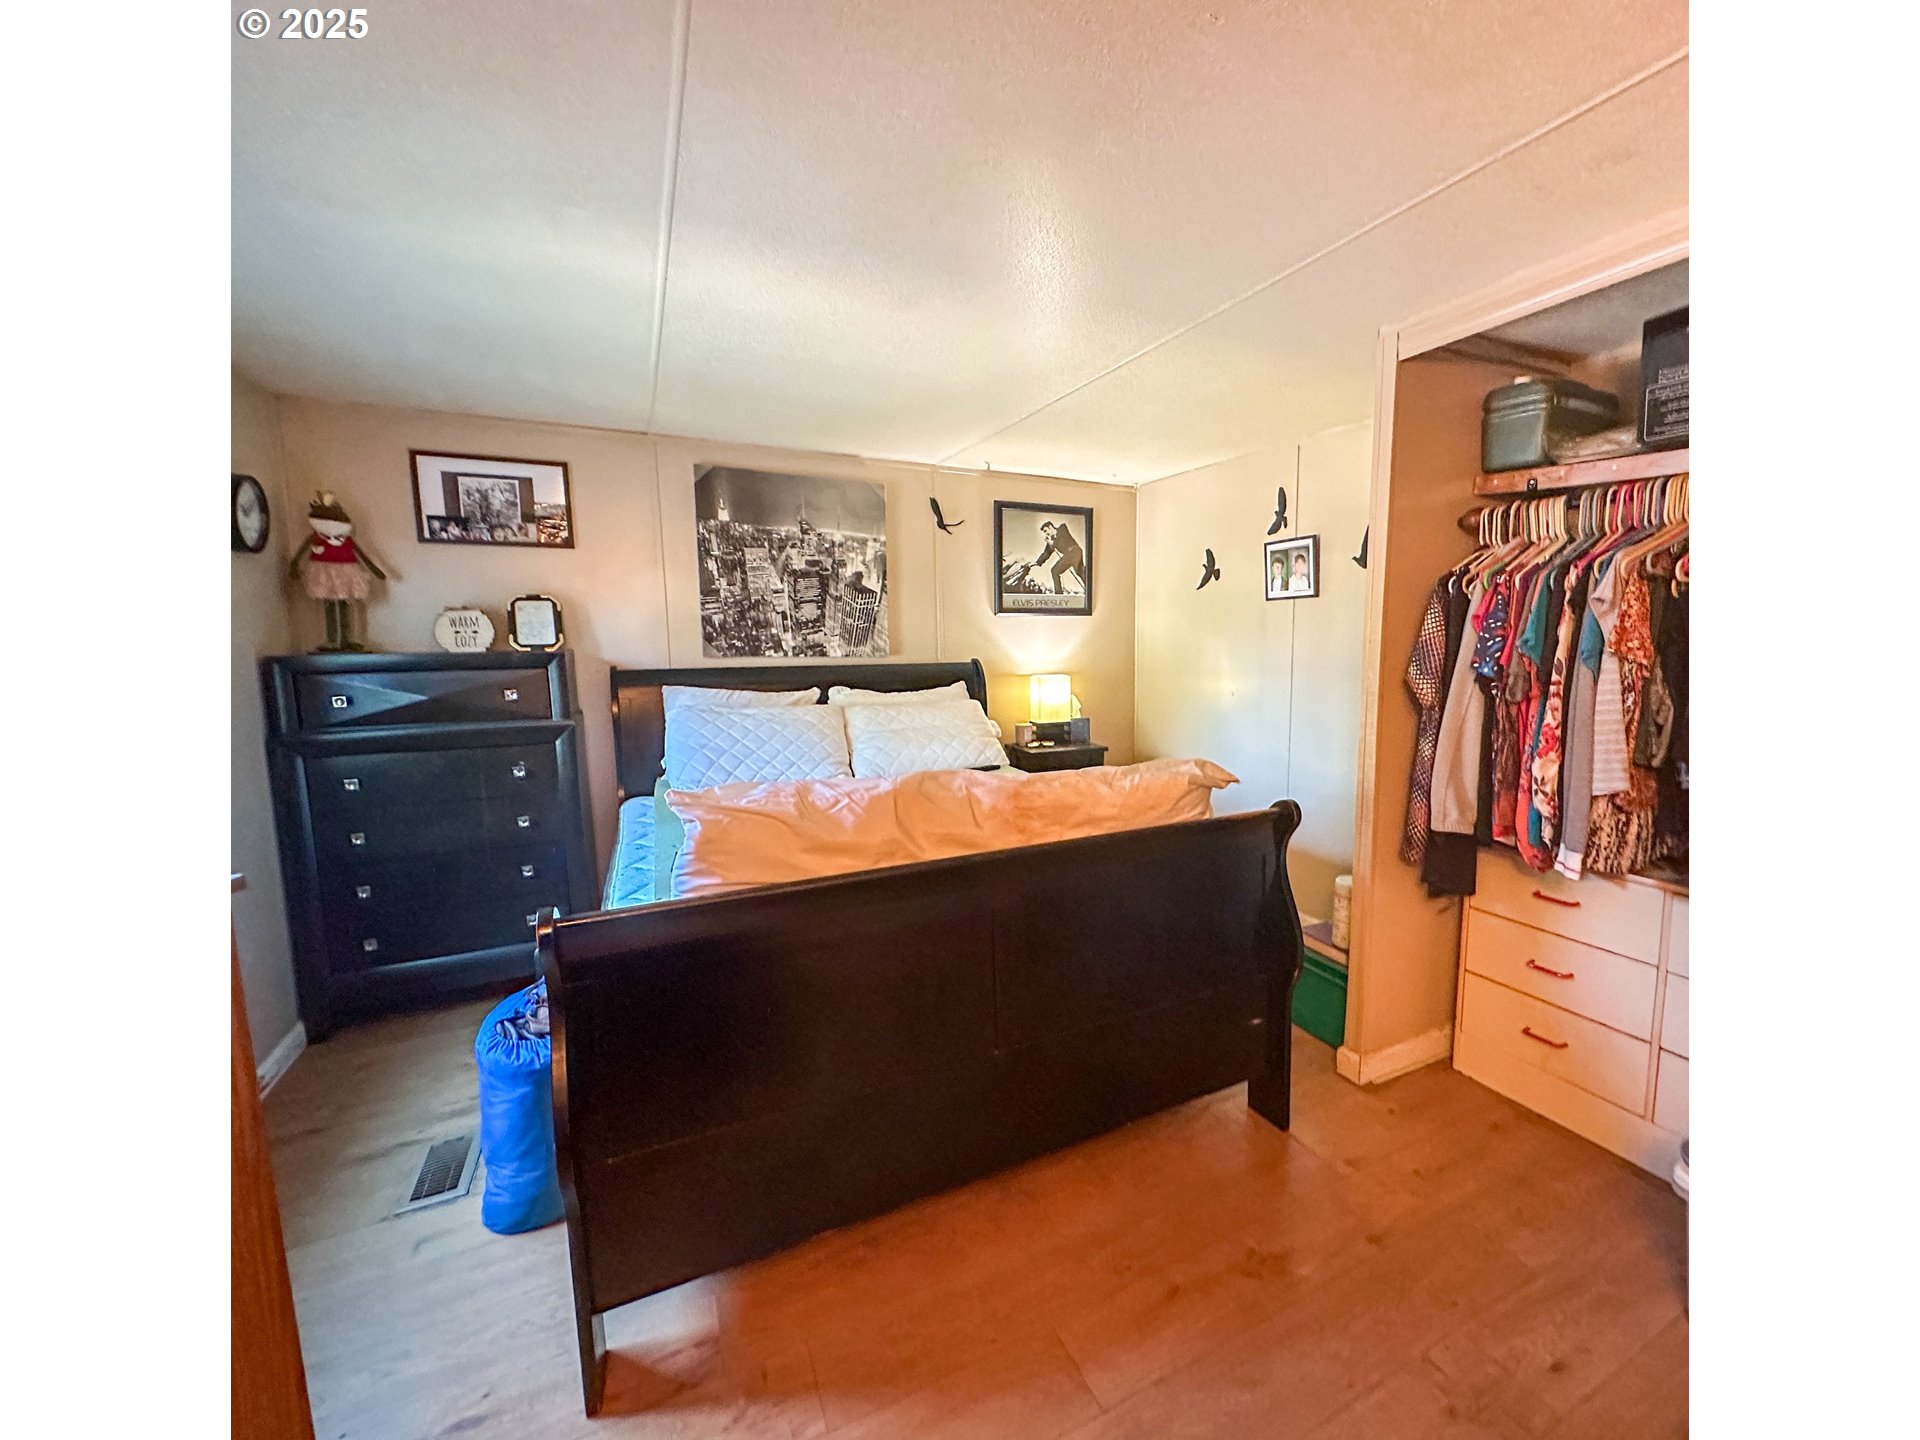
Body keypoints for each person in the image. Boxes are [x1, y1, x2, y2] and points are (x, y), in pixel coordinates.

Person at [1021, 520, 1087, 595]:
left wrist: (1053, 543)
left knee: (1060, 571)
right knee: (1077, 572)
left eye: (1046, 531)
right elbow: (1046, 553)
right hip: (1069, 556)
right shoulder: (1051, 540)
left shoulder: (1062, 528)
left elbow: (1062, 540)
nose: (1046, 533)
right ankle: (1060, 593)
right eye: (1044, 532)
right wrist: (1036, 563)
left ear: (1050, 527)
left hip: (1074, 552)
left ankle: (1059, 594)